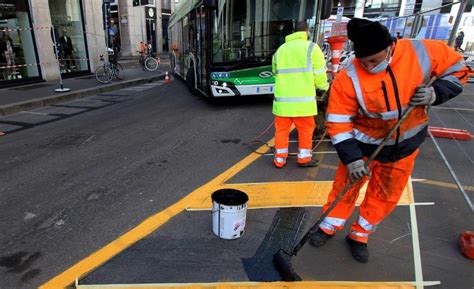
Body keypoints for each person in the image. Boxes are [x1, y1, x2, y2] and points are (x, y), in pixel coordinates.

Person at [309, 18, 470, 262]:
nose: (369, 66)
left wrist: (437, 93)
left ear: (391, 46)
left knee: (385, 194)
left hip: (404, 146)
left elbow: (458, 69)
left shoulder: (423, 52)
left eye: (374, 60)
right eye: (364, 61)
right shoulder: (349, 77)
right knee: (345, 188)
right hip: (362, 146)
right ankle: (329, 225)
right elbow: (338, 122)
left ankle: (360, 234)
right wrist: (352, 159)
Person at [272, 21, 329, 168]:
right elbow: (319, 74)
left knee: (281, 130)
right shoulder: (312, 48)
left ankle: (279, 159)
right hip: (303, 103)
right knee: (305, 130)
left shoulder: (280, 50)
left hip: (282, 102)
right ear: (307, 31)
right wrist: (323, 88)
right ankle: (304, 158)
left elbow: (275, 73)